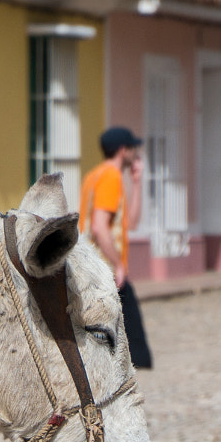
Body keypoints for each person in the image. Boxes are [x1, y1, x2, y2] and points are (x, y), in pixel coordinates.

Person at [79, 126, 153, 369]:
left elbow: (131, 223)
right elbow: (99, 227)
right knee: (133, 347)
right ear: (123, 150)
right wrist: (118, 265)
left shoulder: (95, 176)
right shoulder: (111, 177)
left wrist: (137, 183)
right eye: (132, 148)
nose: (135, 153)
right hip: (105, 271)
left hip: (93, 268)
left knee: (112, 341)